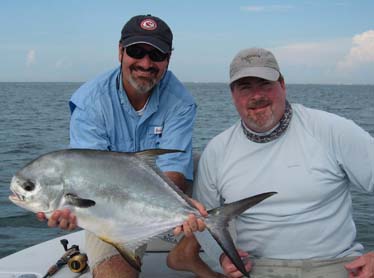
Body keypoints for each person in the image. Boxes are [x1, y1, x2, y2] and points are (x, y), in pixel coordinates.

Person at [169, 47, 374, 278]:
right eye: (246, 87)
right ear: (232, 94)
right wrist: (223, 256)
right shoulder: (217, 151)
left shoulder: (332, 130)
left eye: (265, 84)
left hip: (338, 265)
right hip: (258, 268)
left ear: (283, 85)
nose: (257, 95)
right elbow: (205, 222)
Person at [36, 14, 205, 278]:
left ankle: (186, 251)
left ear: (168, 59)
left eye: (156, 55)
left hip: (162, 190)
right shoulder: (90, 103)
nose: (146, 63)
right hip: (108, 208)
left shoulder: (180, 101)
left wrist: (176, 208)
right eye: (136, 51)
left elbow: (175, 170)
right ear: (120, 52)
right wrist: (72, 212)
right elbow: (88, 181)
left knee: (208, 165)